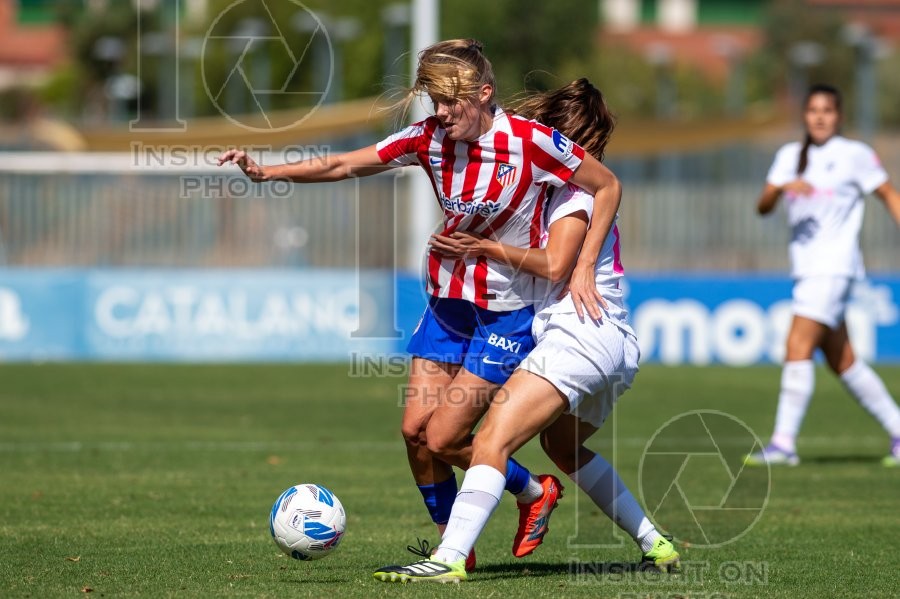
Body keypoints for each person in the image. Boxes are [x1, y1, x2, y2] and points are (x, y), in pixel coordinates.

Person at [218, 40, 622, 566]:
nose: (443, 112)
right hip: (446, 303)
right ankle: (469, 537)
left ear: (484, 93)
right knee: (415, 433)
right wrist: (267, 172)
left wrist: (585, 264)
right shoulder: (427, 139)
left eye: (453, 101)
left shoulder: (530, 142)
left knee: (444, 434)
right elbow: (344, 164)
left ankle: (526, 493)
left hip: (507, 311)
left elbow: (607, 185)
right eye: (435, 99)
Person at [372, 78, 680, 584]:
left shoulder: (571, 196)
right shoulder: (557, 188)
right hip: (611, 340)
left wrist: (484, 248)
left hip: (578, 336)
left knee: (491, 437)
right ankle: (655, 542)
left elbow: (556, 264)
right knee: (564, 450)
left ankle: (448, 560)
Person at [745, 84, 900, 468]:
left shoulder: (854, 155)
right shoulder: (789, 157)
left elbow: (887, 194)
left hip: (834, 266)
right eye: (813, 109)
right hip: (808, 269)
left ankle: (783, 443)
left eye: (827, 110)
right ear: (804, 115)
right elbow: (763, 206)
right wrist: (780, 188)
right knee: (842, 359)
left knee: (797, 343)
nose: (819, 116)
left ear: (839, 116)